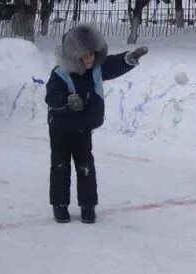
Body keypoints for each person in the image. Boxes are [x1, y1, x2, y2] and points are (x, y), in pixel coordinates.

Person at [45, 24, 148, 223]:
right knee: (60, 165)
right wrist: (67, 100)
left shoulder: (96, 69)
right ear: (74, 56)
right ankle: (59, 205)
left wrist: (129, 58)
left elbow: (113, 64)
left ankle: (88, 205)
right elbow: (51, 95)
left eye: (92, 53)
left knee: (86, 166)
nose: (90, 58)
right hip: (60, 128)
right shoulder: (60, 73)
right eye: (85, 55)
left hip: (83, 127)